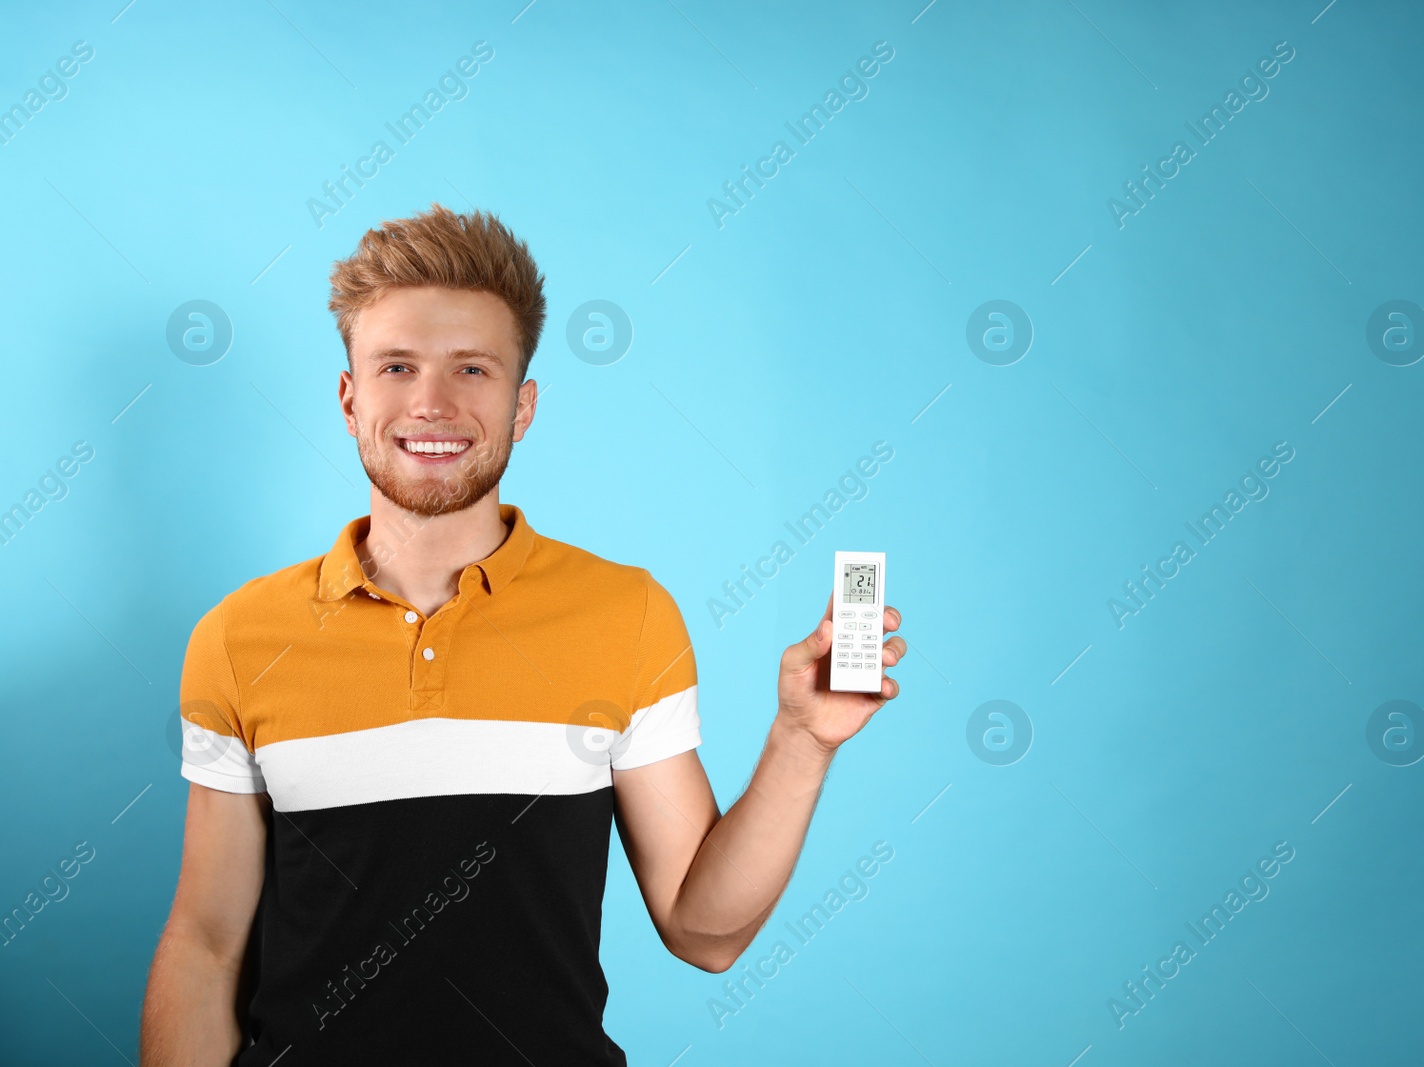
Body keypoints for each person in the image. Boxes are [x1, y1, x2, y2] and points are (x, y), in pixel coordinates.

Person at [138, 204, 905, 1065]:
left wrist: (802, 739)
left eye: (473, 368)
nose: (433, 403)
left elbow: (705, 930)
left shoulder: (627, 614)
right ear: (351, 398)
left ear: (522, 404)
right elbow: (206, 943)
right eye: (398, 366)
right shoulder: (239, 637)